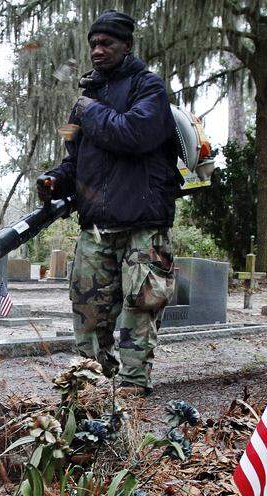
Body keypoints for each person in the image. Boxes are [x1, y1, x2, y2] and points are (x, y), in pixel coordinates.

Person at [38, 9, 182, 395]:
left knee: (141, 308)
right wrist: (54, 178)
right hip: (96, 227)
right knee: (88, 311)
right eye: (93, 45)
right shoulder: (85, 100)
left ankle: (134, 387)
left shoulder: (149, 88)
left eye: (107, 43)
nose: (98, 51)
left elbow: (134, 134)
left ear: (126, 45)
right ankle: (93, 385)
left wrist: (89, 110)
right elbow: (75, 159)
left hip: (143, 225)